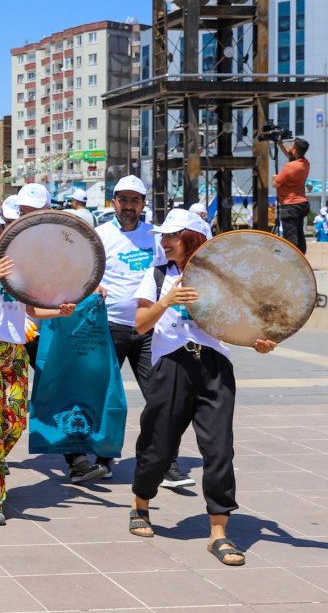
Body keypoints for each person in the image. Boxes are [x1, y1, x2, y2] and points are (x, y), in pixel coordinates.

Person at [128, 208, 277, 566]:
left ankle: (218, 533)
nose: (163, 242)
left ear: (192, 239)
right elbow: (139, 325)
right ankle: (140, 506)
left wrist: (257, 341)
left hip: (214, 368)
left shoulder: (224, 279)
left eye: (171, 236)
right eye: (162, 237)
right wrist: (166, 301)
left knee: (219, 449)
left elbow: (239, 324)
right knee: (158, 445)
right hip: (171, 367)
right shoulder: (158, 274)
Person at [0, 204, 74, 525]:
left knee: (15, 423)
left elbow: (29, 312)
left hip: (15, 351)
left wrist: (58, 311)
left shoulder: (18, 268)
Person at [90, 176, 193, 487]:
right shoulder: (99, 235)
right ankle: (103, 460)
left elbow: (172, 269)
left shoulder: (156, 236)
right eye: (124, 200)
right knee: (107, 397)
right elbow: (83, 269)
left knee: (161, 397)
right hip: (110, 326)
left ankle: (166, 463)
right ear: (114, 202)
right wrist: (94, 285)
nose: (129, 206)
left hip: (150, 329)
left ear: (144, 204)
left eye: (135, 200)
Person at [273, 138, 311, 253]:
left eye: (291, 145)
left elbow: (275, 184)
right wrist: (280, 143)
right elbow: (290, 154)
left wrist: (275, 177)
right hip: (301, 203)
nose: (289, 146)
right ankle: (301, 259)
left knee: (290, 236)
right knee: (299, 234)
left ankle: (292, 261)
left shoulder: (289, 167)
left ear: (295, 151)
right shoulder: (305, 163)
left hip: (290, 205)